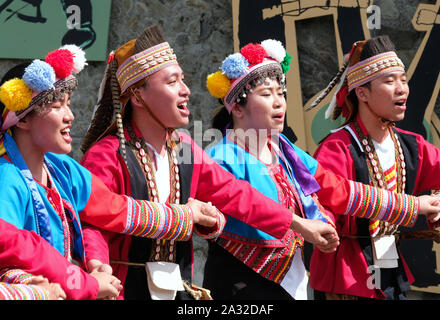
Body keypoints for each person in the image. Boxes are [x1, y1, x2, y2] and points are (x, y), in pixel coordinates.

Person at [80, 25, 339, 300]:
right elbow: (93, 221)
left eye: (183, 80)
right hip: (122, 289)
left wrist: (299, 224)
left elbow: (235, 194)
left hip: (179, 291)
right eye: (172, 82)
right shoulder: (108, 155)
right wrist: (98, 265)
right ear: (138, 96)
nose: (185, 90)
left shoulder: (183, 149)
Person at [203, 39, 440, 300]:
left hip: (291, 282)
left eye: (280, 94)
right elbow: (247, 203)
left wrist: (413, 207)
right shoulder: (219, 157)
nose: (279, 103)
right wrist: (302, 225)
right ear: (237, 107)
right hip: (240, 283)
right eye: (266, 95)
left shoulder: (285, 152)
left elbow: (333, 189)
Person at [0, 45, 222, 300]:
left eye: (69, 104)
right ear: (23, 119)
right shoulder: (8, 179)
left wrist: (184, 216)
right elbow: (13, 256)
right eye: (57, 106)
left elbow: (113, 208)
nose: (70, 116)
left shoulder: (61, 170)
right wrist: (85, 282)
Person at [308, 35, 440, 300]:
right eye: (389, 81)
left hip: (389, 270)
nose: (401, 89)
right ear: (361, 92)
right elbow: (326, 198)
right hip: (344, 279)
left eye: (403, 80)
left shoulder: (411, 146)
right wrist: (414, 206)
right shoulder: (337, 148)